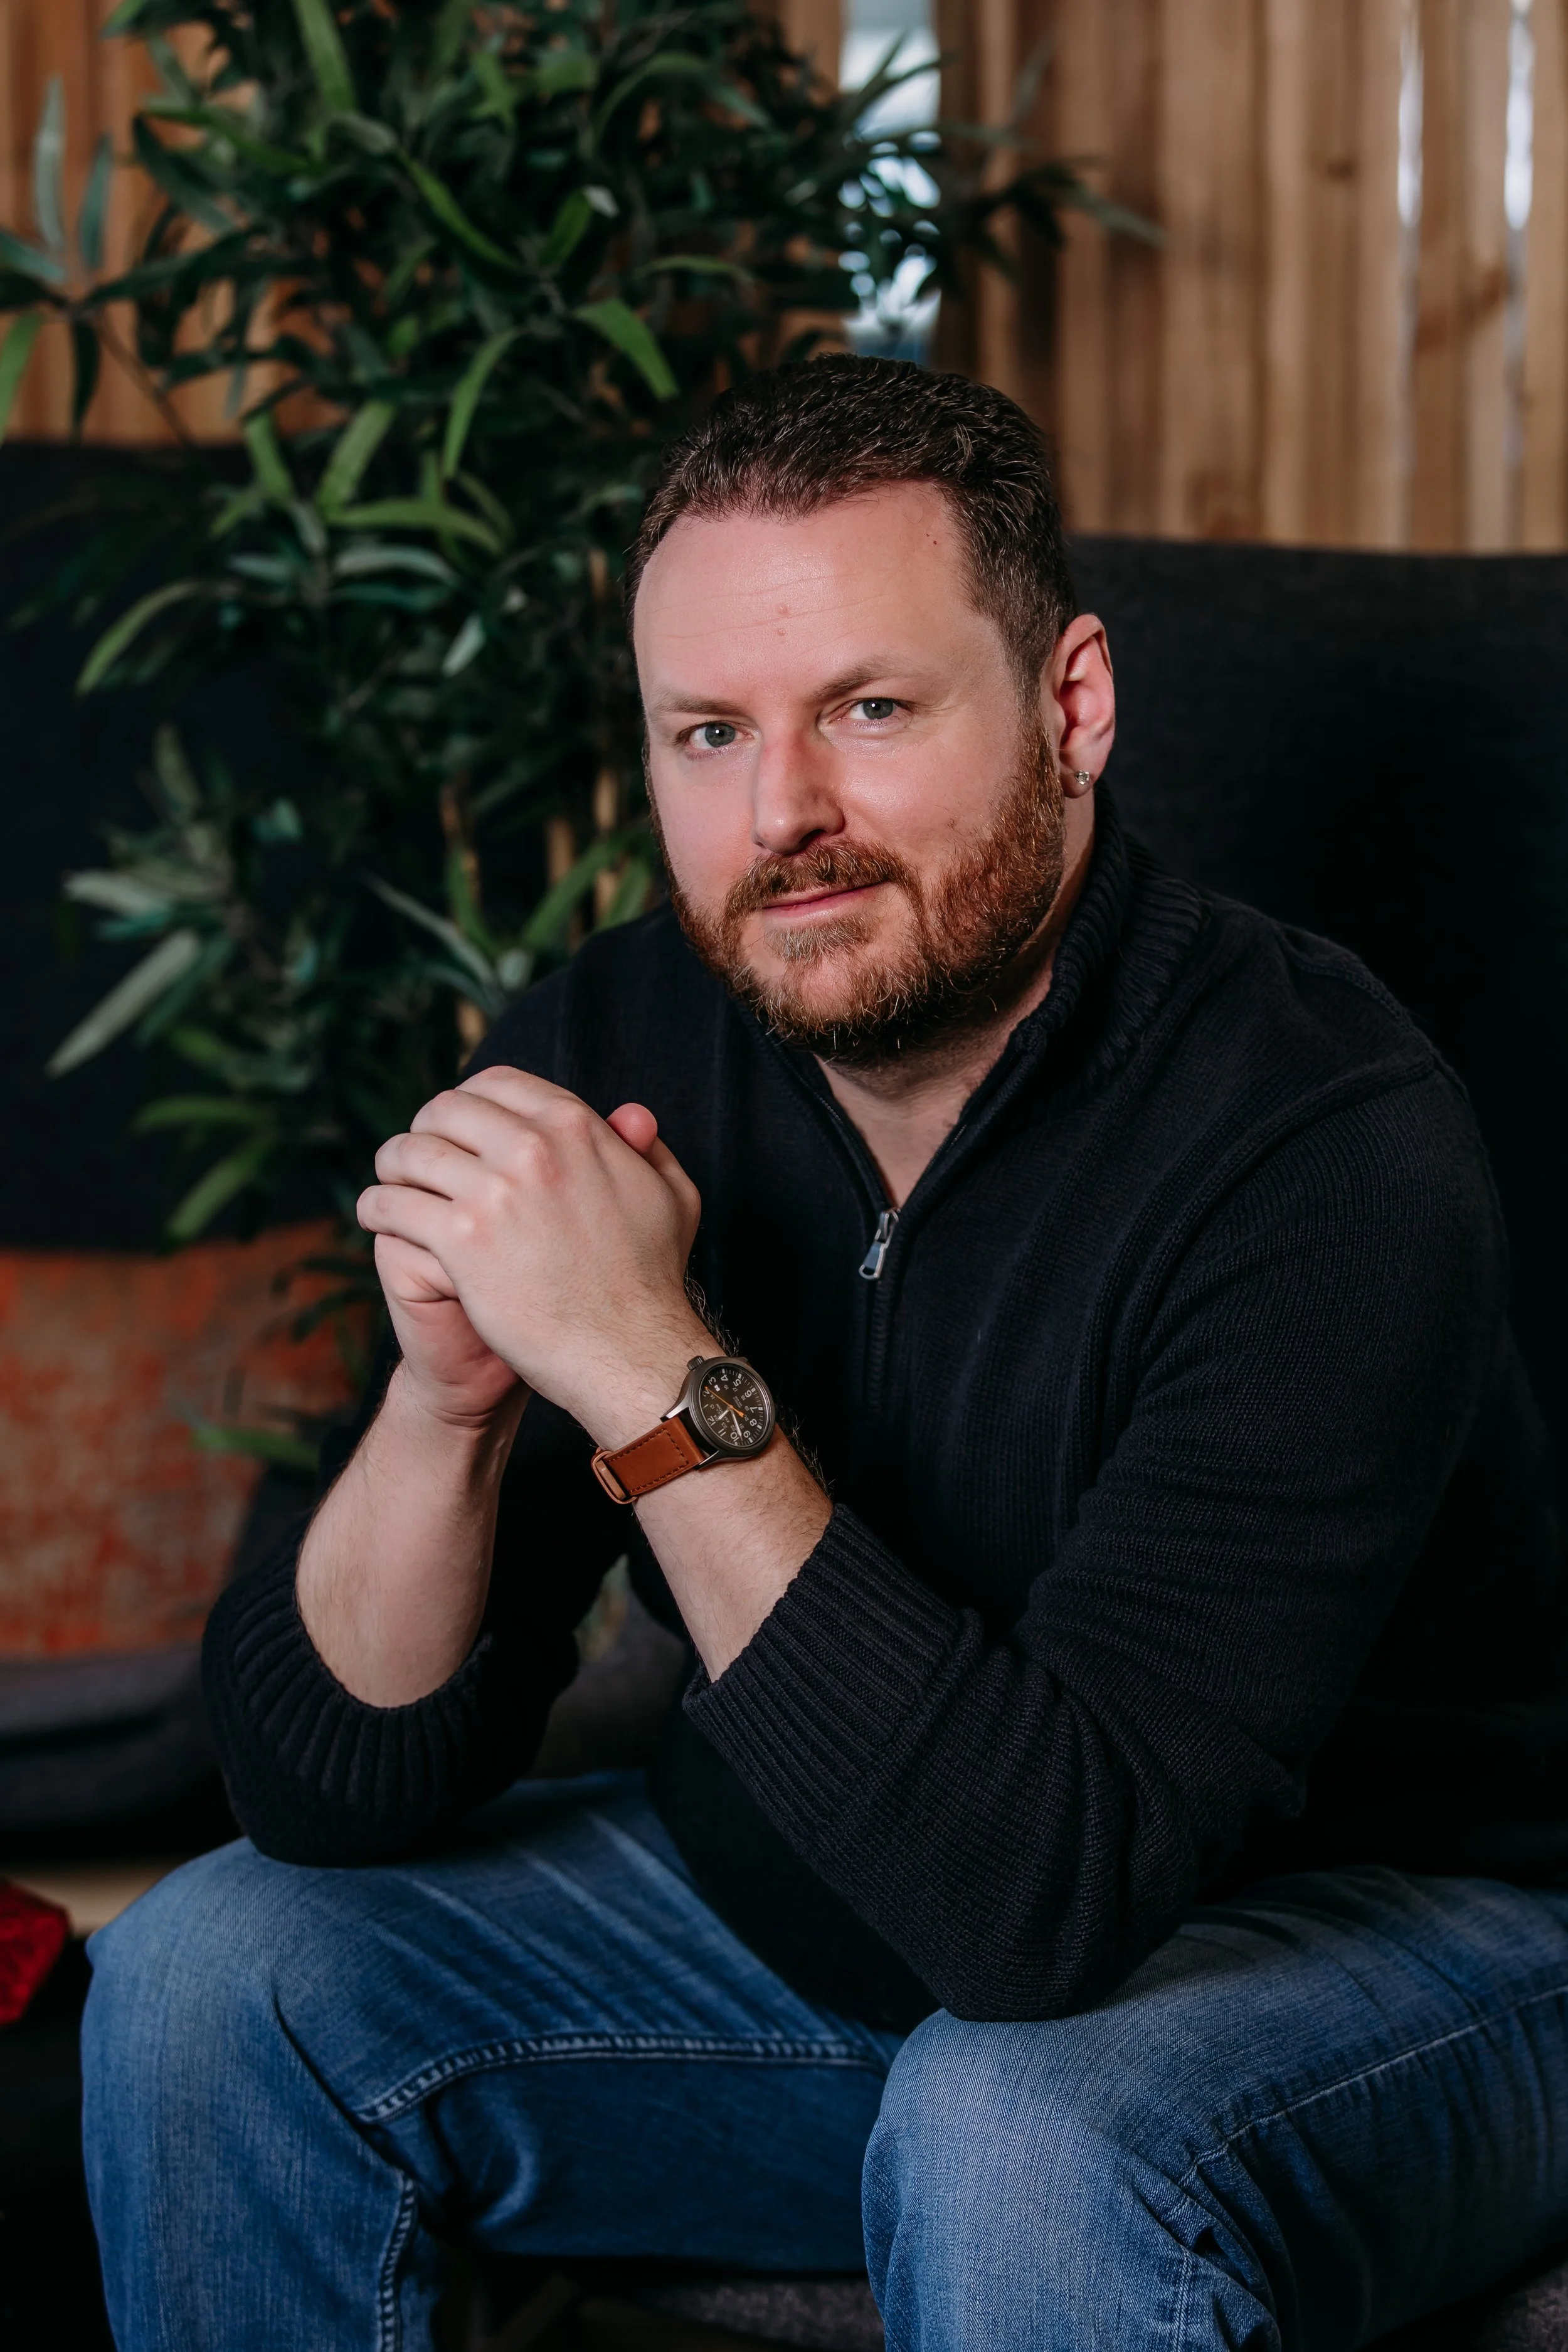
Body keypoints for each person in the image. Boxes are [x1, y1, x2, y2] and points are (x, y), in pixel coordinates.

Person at [82, 357, 1568, 2352]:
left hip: (1388, 1947)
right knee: (210, 1970)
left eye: (868, 709)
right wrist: (450, 1403)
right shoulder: (613, 1047)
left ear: (1071, 706)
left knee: (1017, 2124)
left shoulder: (1324, 1139)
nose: (784, 813)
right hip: (803, 1934)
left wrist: (647, 1370)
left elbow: (1033, 1904)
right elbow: (329, 1785)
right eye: (709, 731)